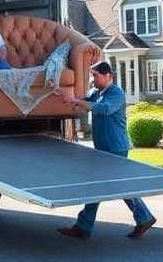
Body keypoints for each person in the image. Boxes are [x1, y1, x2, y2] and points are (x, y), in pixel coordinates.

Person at [56, 61, 156, 239]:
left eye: (95, 75)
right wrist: (67, 98)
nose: (93, 79)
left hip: (116, 148)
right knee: (103, 186)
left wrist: (78, 101)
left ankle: (84, 226)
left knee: (108, 186)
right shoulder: (94, 93)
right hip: (102, 148)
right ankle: (142, 218)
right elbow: (80, 105)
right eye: (92, 75)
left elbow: (105, 109)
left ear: (108, 75)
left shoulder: (116, 93)